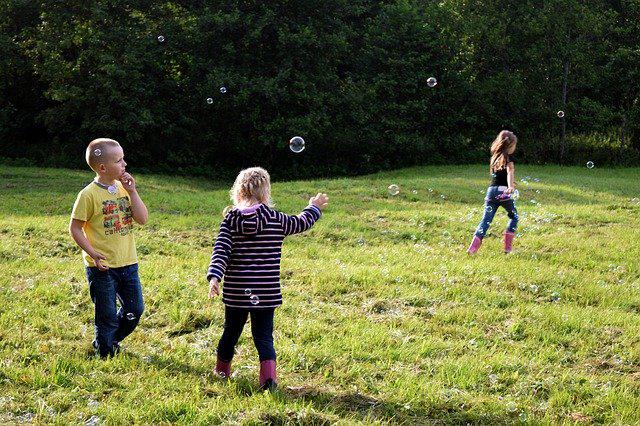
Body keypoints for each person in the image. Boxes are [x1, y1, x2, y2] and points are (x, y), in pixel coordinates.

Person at [207, 167, 328, 391]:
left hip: (236, 292)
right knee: (263, 336)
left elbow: (220, 250)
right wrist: (314, 207)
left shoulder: (230, 221)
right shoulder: (276, 219)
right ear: (265, 192)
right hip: (266, 292)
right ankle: (268, 380)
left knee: (230, 332)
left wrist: (215, 276)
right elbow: (300, 222)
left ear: (238, 192)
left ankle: (222, 371)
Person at [69, 138, 148, 358]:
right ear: (103, 167)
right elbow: (75, 228)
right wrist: (92, 253)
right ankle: (105, 355)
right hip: (101, 266)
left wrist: (133, 193)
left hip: (128, 262)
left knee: (136, 309)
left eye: (123, 159)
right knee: (106, 314)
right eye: (119, 160)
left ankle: (109, 340)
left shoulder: (124, 188)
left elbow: (142, 219)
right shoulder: (88, 195)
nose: (124, 164)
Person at [467, 130, 519, 254]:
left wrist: (510, 183)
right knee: (514, 217)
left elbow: (499, 175)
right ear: (510, 145)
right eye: (514, 145)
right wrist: (510, 186)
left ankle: (473, 248)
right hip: (503, 192)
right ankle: (507, 248)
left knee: (485, 221)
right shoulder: (508, 157)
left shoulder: (495, 156)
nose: (514, 148)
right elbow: (509, 172)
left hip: (491, 191)